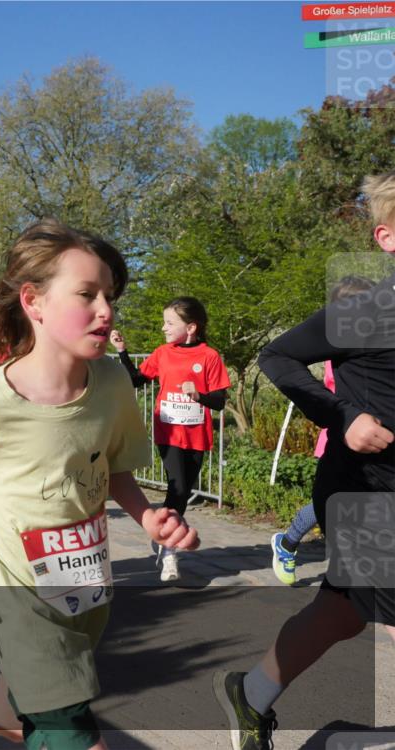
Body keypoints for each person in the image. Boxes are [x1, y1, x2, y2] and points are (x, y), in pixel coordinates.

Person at [0, 220, 199, 750]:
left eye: (110, 295)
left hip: (81, 583)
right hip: (14, 593)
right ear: (33, 301)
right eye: (86, 294)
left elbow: (114, 466)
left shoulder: (111, 383)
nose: (106, 310)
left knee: (10, 710)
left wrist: (147, 516)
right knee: (68, 731)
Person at [213, 172, 395, 750]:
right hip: (363, 490)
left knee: (342, 611)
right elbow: (278, 356)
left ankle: (253, 693)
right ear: (388, 237)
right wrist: (344, 416)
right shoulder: (369, 310)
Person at [110, 297, 230, 581]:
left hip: (196, 435)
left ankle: (164, 537)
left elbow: (220, 402)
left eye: (169, 322)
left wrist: (198, 395)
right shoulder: (163, 353)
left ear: (191, 327)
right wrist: (122, 351)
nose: (163, 327)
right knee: (176, 486)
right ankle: (169, 551)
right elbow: (138, 380)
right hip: (169, 432)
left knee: (182, 492)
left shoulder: (209, 356)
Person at [270, 276, 375, 586]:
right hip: (342, 439)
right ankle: (287, 544)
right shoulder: (338, 353)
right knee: (330, 503)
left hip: (376, 441)